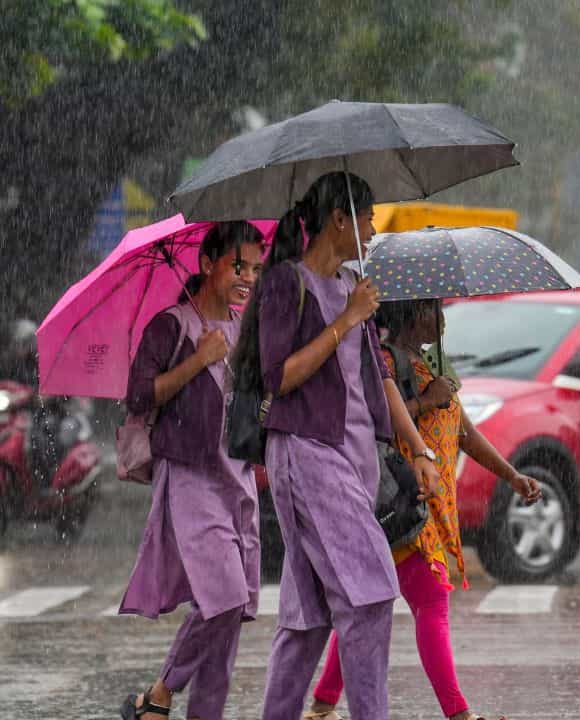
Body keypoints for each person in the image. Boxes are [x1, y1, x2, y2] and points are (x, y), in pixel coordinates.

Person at [233, 172, 441, 720]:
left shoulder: (354, 283)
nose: (373, 229)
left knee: (308, 619)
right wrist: (347, 319)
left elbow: (380, 379)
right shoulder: (286, 283)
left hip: (352, 465)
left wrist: (418, 450)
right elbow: (279, 376)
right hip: (307, 455)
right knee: (371, 594)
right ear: (339, 219)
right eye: (367, 217)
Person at [303, 298, 541, 720]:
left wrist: (512, 476)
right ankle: (458, 714)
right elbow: (380, 419)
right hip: (406, 503)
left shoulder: (434, 367)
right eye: (433, 309)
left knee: (368, 606)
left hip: (430, 507)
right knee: (431, 603)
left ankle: (322, 705)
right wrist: (427, 401)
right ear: (411, 315)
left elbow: (465, 433)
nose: (442, 319)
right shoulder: (388, 364)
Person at [118, 221, 266, 720]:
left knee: (229, 617)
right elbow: (138, 396)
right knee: (222, 601)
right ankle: (158, 696)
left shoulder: (246, 329)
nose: (247, 277)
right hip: (190, 477)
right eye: (237, 265)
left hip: (237, 478)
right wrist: (198, 359)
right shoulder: (171, 326)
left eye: (255, 268)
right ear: (207, 264)